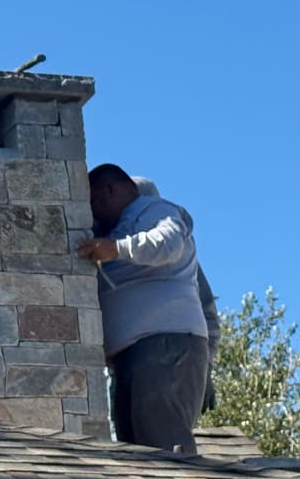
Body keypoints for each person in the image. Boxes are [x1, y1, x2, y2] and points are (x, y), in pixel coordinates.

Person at [77, 164, 209, 455]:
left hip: (163, 346)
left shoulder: (152, 210)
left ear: (109, 190)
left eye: (94, 203)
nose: (94, 214)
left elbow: (169, 242)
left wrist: (117, 249)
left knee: (164, 449)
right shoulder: (121, 225)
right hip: (137, 354)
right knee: (138, 456)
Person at [132, 176, 219, 413]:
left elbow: (207, 314)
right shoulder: (117, 247)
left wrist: (204, 371)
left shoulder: (181, 260)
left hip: (173, 362)